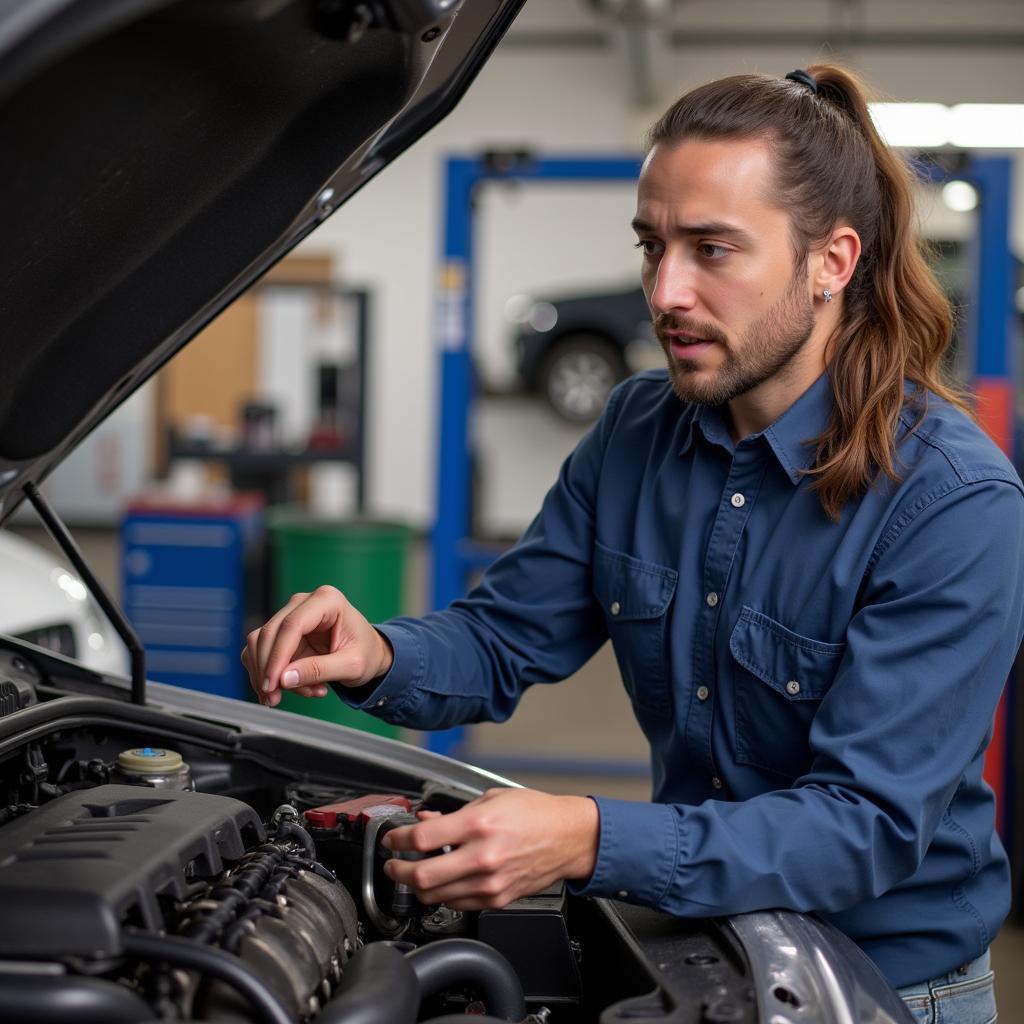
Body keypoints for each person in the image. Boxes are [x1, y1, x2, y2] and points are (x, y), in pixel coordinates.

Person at [243, 64, 1024, 1022]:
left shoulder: (951, 500)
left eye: (712, 250)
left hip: (884, 986)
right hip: (697, 946)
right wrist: (380, 651)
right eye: (652, 247)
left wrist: (584, 837)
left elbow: (860, 828)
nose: (665, 292)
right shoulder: (638, 429)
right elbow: (501, 638)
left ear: (832, 261)